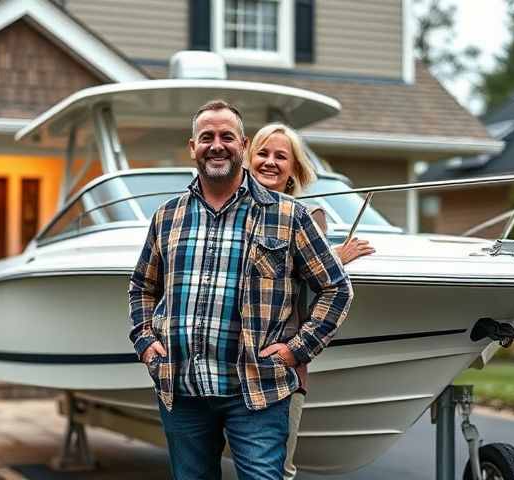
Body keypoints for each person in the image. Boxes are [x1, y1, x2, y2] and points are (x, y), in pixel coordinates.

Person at [128, 100, 353, 480]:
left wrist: (296, 350)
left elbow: (336, 288)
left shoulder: (289, 215)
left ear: (242, 145)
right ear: (193, 147)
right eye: (207, 137)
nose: (217, 145)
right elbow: (142, 285)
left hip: (258, 392)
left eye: (226, 136)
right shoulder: (167, 216)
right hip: (182, 390)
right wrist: (146, 341)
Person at [247, 123, 374, 480]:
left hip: (281, 367)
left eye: (280, 156)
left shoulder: (307, 217)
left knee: (277, 469)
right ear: (248, 158)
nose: (270, 162)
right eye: (262, 153)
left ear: (294, 169)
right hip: (226, 367)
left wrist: (331, 260)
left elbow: (329, 285)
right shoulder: (227, 213)